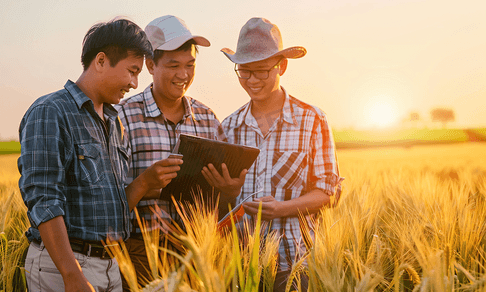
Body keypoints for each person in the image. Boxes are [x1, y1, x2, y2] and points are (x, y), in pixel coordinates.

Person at [18, 18, 175, 292]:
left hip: (111, 265)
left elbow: (109, 208)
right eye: (132, 71)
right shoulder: (51, 111)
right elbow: (44, 200)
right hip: (64, 266)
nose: (135, 83)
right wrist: (71, 274)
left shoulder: (115, 123)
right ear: (101, 61)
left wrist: (145, 182)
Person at [203, 17, 343, 291]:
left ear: (282, 66)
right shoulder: (229, 126)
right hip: (241, 264)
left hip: (296, 263)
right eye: (244, 72)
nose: (252, 81)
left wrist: (281, 209)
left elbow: (328, 192)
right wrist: (230, 192)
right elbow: (220, 200)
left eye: (262, 72)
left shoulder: (312, 120)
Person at [115, 15, 246, 291]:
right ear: (150, 65)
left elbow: (221, 204)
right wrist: (146, 184)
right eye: (173, 65)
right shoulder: (122, 118)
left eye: (190, 65)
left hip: (197, 254)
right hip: (141, 255)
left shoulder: (207, 118)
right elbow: (106, 203)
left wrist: (229, 190)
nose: (183, 75)